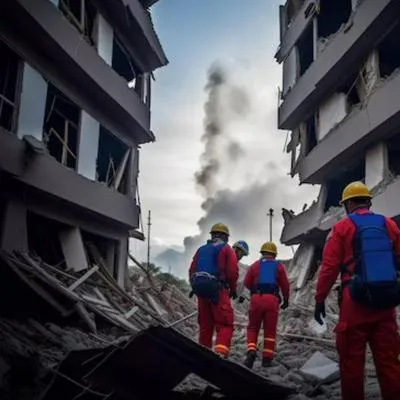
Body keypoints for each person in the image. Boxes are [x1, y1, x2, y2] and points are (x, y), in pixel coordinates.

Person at [314, 181, 400, 400]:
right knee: (389, 363)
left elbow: (329, 268)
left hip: (355, 302)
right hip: (386, 303)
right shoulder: (389, 225)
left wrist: (320, 299)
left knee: (352, 365)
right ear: (368, 201)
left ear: (348, 203)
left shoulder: (342, 228)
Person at [189, 223, 238, 358]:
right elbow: (232, 272)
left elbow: (192, 269)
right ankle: (220, 355)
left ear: (212, 235)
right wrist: (233, 289)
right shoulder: (227, 249)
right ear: (225, 236)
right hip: (217, 289)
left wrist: (193, 287)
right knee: (225, 325)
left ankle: (203, 356)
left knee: (205, 325)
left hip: (200, 290)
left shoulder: (201, 249)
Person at [242, 241, 290, 369]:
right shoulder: (279, 266)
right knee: (270, 330)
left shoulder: (255, 266)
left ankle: (251, 351)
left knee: (252, 328)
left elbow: (246, 283)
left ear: (262, 253)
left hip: (257, 299)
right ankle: (267, 360)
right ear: (274, 254)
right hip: (272, 300)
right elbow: (285, 285)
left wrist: (254, 288)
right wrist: (286, 300)